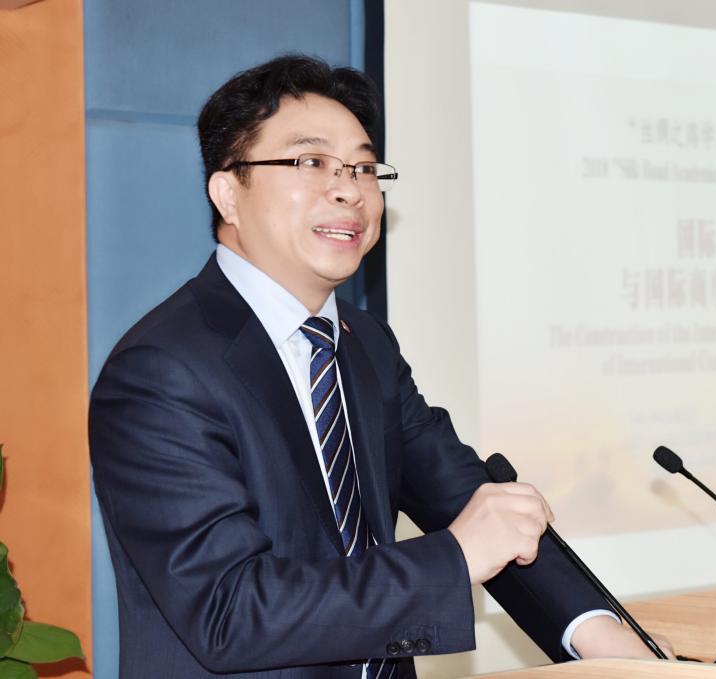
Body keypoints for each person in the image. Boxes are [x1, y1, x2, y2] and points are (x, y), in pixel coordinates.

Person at [89, 55, 671, 678]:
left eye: (364, 168)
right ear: (228, 193)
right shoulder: (161, 371)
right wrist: (454, 558)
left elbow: (465, 499)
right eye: (311, 162)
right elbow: (229, 611)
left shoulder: (365, 344)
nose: (350, 190)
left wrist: (614, 646)